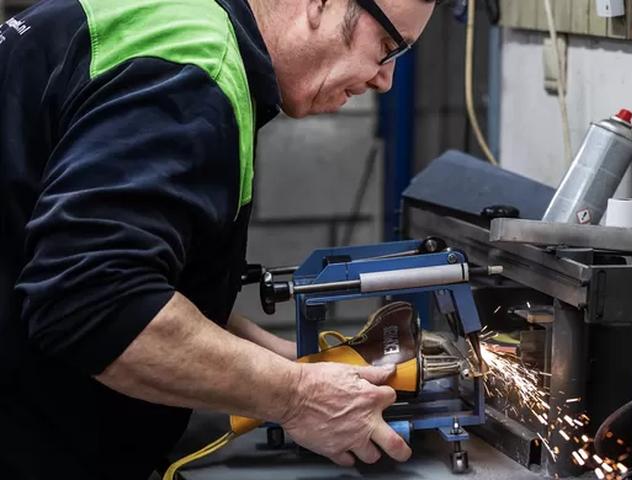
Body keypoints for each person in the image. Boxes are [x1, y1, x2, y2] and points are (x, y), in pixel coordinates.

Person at [0, 0, 436, 478]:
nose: (384, 80)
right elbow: (95, 303)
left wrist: (292, 362)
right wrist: (298, 397)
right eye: (388, 48)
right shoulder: (194, 67)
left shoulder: (175, 23)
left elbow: (147, 282)